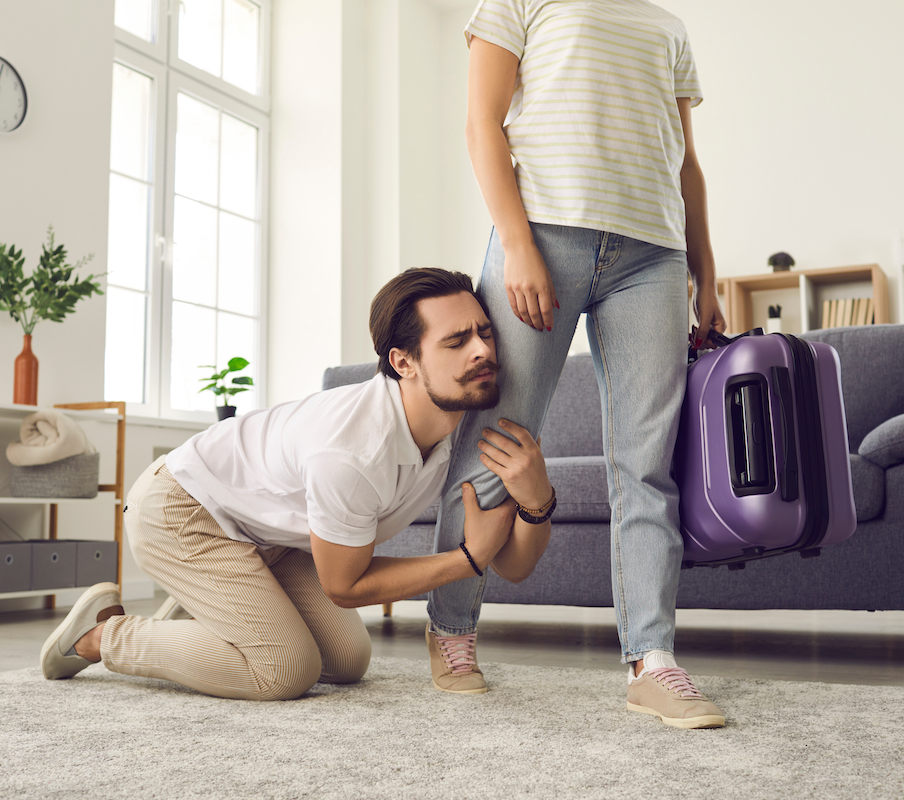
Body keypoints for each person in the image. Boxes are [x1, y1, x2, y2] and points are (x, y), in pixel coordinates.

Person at [39, 268, 555, 701]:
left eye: (485, 333)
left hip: (268, 534)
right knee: (286, 671)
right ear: (404, 363)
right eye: (456, 341)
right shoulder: (351, 453)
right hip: (179, 512)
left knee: (348, 660)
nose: (482, 351)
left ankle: (211, 607)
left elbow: (512, 565)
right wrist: (464, 561)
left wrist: (537, 501)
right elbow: (345, 586)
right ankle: (99, 635)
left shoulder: (473, 422)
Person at [424, 0, 728, 728]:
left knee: (645, 461)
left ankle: (653, 661)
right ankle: (452, 629)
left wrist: (707, 271)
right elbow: (482, 124)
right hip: (545, 234)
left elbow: (685, 162)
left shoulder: (669, 26)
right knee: (495, 440)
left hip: (653, 256)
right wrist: (517, 242)